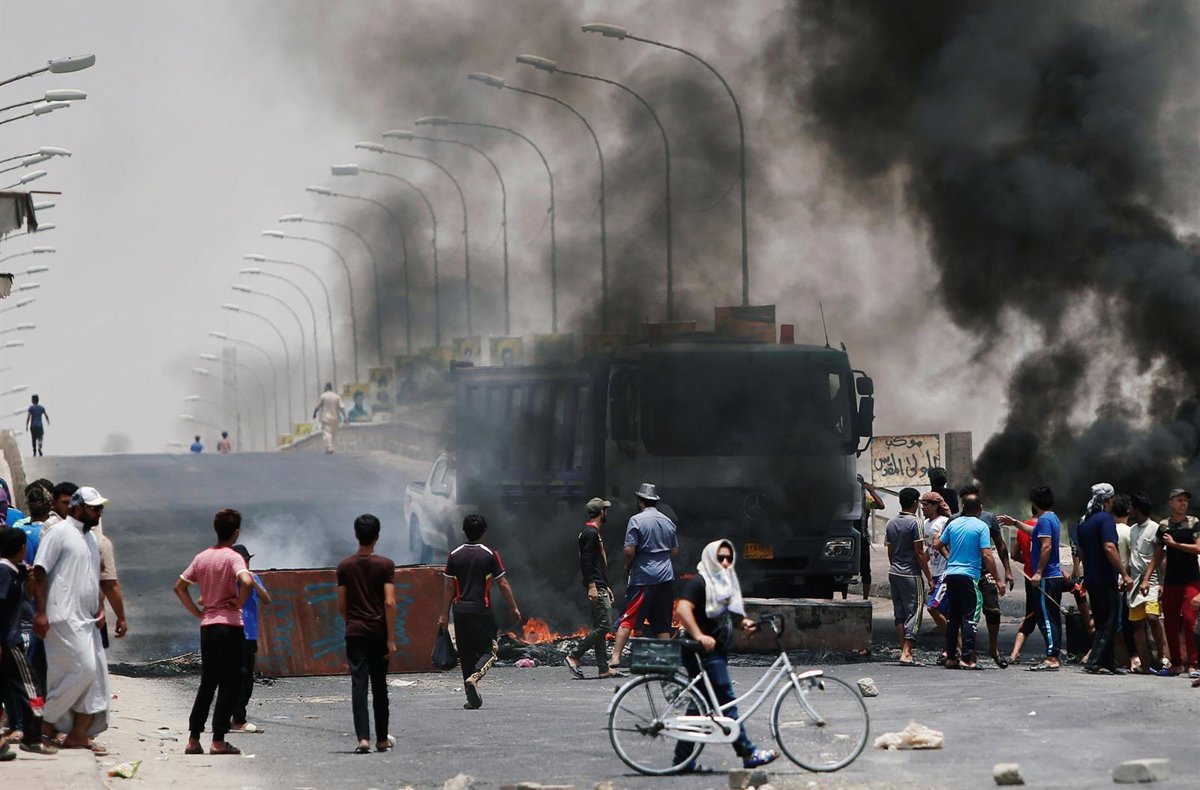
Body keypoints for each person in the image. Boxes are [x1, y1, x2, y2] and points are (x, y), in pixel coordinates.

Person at [674, 540, 778, 771]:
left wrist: (744, 623)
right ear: (710, 557)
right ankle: (748, 753)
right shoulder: (700, 582)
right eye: (720, 557)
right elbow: (682, 609)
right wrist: (700, 635)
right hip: (701, 652)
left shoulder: (723, 583)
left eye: (729, 558)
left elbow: (727, 614)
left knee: (699, 707)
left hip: (715, 650)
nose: (724, 562)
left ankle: (681, 761)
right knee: (726, 700)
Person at [31, 486, 111, 753]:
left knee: (95, 679)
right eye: (94, 508)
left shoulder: (89, 538)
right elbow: (40, 571)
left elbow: (92, 577)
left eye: (100, 508)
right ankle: (44, 726)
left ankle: (78, 735)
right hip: (62, 618)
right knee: (81, 671)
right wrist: (41, 612)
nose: (99, 512)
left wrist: (101, 607)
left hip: (87, 620)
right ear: (78, 507)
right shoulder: (59, 532)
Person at [174, 508, 253, 756]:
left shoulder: (202, 557)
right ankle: (218, 740)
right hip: (230, 627)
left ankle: (193, 738)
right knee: (230, 683)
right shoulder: (233, 557)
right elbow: (247, 580)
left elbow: (179, 587)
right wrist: (239, 603)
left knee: (207, 683)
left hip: (208, 626)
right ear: (236, 532)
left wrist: (198, 613)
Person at [438, 514, 520, 709]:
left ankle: (471, 698)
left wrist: (444, 614)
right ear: (483, 532)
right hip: (480, 609)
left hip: (459, 610)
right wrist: (514, 607)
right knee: (490, 650)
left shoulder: (454, 554)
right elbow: (503, 583)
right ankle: (474, 678)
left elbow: (449, 587)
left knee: (466, 653)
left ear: (464, 531)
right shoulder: (489, 554)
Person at [336, 515, 396, 753]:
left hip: (355, 631)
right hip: (379, 632)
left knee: (359, 685)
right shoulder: (385, 565)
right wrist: (390, 638)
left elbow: (342, 605)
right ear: (377, 536)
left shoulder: (344, 566)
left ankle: (363, 739)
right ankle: (381, 739)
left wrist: (352, 623)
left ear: (356, 535)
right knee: (380, 686)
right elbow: (389, 602)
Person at [609, 483, 679, 671]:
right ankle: (668, 660)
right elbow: (674, 551)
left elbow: (629, 550)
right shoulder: (668, 521)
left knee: (628, 617)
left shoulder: (636, 520)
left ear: (640, 501)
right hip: (665, 578)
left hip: (643, 578)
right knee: (662, 622)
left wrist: (627, 566)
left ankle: (615, 657)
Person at [0, 526, 57, 754]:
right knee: (32, 689)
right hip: (8, 643)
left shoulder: (13, 571)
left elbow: (26, 596)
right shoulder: (5, 572)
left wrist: (27, 579)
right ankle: (33, 736)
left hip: (7, 641)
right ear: (22, 548)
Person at [934, 494, 1005, 669]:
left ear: (963, 507)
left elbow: (938, 544)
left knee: (953, 618)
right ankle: (967, 659)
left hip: (952, 574)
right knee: (971, 617)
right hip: (970, 576)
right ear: (980, 508)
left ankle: (951, 658)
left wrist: (950, 557)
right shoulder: (981, 526)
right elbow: (987, 554)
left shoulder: (954, 523)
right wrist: (998, 579)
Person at [1000, 485, 1066, 671]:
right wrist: (1015, 523)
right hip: (1053, 576)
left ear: (1034, 503)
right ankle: (1054, 654)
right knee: (1052, 617)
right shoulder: (1052, 518)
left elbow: (1046, 546)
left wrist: (1038, 572)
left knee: (1046, 619)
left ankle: (1051, 657)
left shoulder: (1044, 519)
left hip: (1047, 577)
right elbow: (1034, 532)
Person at [1076, 483, 1132, 675]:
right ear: (1108, 500)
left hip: (1092, 577)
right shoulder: (1106, 519)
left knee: (1101, 619)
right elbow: (1109, 547)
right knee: (1108, 621)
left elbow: (1081, 552)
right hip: (1105, 578)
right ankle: (1094, 662)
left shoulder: (1085, 521)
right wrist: (1124, 573)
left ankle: (1108, 663)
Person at [565, 498, 622, 680]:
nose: (607, 512)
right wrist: (592, 585)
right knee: (605, 625)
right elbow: (586, 560)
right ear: (601, 512)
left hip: (599, 584)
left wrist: (605, 584)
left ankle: (603, 668)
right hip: (595, 585)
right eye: (605, 510)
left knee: (600, 626)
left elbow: (596, 563)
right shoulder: (590, 533)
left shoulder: (591, 532)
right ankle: (574, 655)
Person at [958, 484, 1014, 668]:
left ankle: (993, 648)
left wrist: (1007, 570)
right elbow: (942, 544)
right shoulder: (955, 520)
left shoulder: (988, 519)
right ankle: (970, 652)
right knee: (966, 614)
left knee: (993, 610)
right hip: (966, 573)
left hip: (985, 572)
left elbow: (1000, 545)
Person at [1153, 488, 1200, 675]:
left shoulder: (1194, 523)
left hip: (1191, 579)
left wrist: (1175, 545)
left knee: (1189, 620)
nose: (1183, 504)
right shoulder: (1164, 526)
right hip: (1171, 579)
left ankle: (1193, 663)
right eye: (1179, 500)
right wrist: (1148, 578)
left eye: (1185, 501)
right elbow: (1157, 554)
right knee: (1170, 623)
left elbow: (1198, 548)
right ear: (1171, 503)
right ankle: (1176, 663)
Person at [886, 487, 933, 665]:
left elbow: (890, 551)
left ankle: (904, 650)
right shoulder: (916, 523)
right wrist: (929, 577)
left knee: (900, 613)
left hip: (894, 572)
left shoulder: (891, 523)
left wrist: (895, 566)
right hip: (910, 574)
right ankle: (907, 652)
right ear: (915, 503)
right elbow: (919, 553)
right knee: (915, 611)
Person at [1127, 493, 1170, 673]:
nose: (1129, 510)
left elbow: (1160, 556)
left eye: (1131, 507)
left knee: (1152, 618)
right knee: (1137, 623)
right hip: (1135, 583)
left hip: (1151, 581)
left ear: (1137, 509)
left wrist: (1161, 583)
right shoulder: (1132, 530)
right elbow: (1132, 557)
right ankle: (1145, 665)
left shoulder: (1155, 528)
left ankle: (1162, 658)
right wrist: (1125, 577)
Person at [230, 544, 270, 734]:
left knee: (247, 679)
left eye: (247, 561)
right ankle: (238, 719)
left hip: (250, 634)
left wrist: (253, 582)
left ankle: (235, 717)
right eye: (242, 561)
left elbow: (267, 599)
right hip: (233, 632)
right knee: (238, 677)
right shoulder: (228, 581)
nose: (246, 565)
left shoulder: (253, 578)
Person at [920, 491, 952, 634]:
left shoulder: (943, 522)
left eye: (926, 504)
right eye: (922, 504)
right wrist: (922, 561)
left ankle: (952, 639)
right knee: (944, 609)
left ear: (935, 506)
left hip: (946, 571)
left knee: (933, 607)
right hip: (936, 571)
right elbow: (930, 548)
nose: (922, 507)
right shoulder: (925, 524)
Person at [857, 475, 885, 600]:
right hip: (847, 537)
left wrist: (871, 491)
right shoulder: (845, 498)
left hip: (862, 537)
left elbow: (881, 505)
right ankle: (844, 596)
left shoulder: (866, 500)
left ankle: (865, 598)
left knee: (865, 571)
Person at [314, 383, 347, 454]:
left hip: (326, 417)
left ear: (326, 388)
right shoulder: (337, 396)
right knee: (334, 433)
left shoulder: (323, 396)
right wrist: (345, 417)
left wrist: (314, 414)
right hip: (335, 417)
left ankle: (329, 447)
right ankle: (332, 447)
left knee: (327, 433)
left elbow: (317, 406)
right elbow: (342, 407)